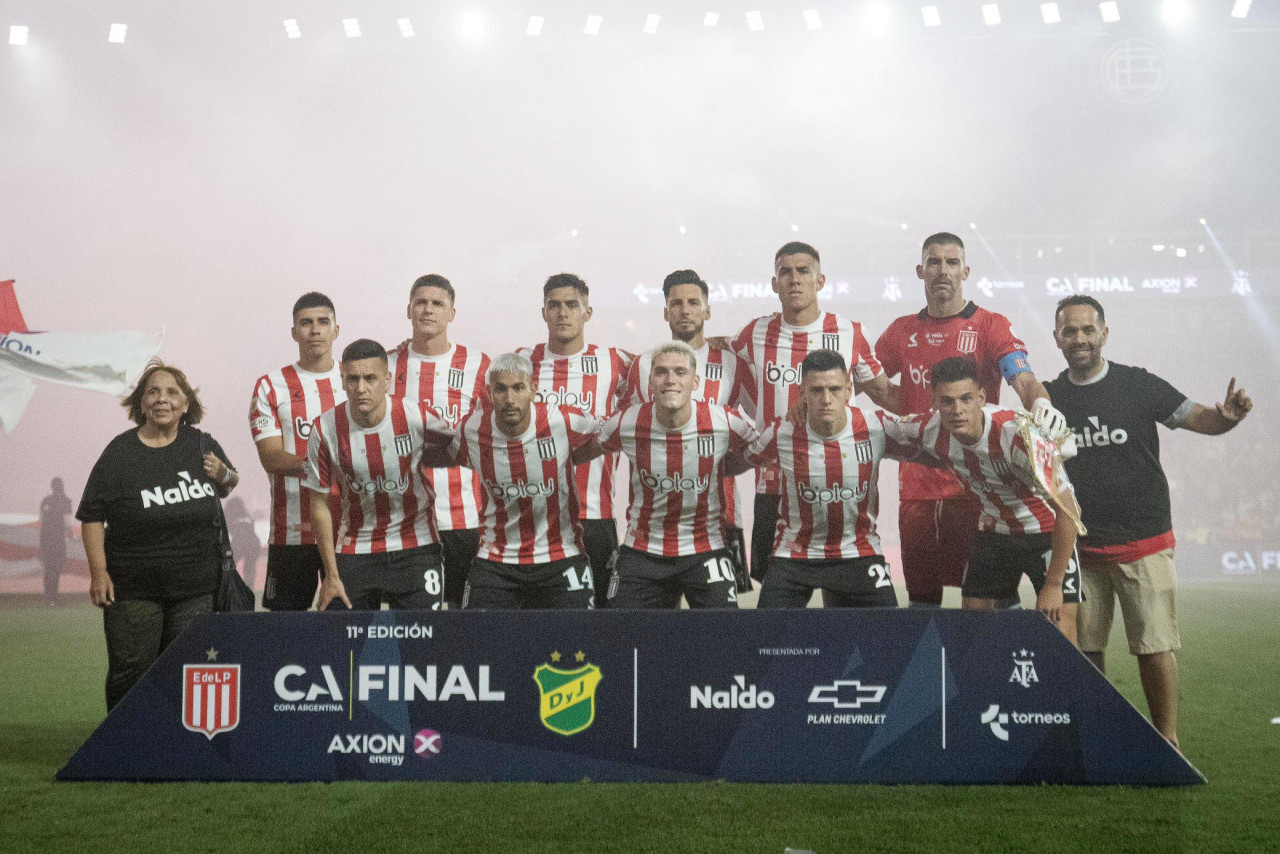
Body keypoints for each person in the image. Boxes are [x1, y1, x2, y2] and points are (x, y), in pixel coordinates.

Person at [1046, 295, 1252, 749]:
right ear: (1057, 337)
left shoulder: (1137, 384)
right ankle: (1099, 738)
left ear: (1104, 333)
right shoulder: (1050, 397)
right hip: (1081, 546)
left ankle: (1167, 741)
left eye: (1087, 330)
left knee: (1155, 647)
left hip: (1145, 541)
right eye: (1069, 331)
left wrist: (1227, 418)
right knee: (1086, 650)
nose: (1079, 338)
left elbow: (1199, 418)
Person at [875, 232, 1068, 607]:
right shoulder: (900, 331)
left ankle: (997, 665)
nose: (942, 270)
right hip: (917, 489)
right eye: (934, 262)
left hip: (977, 487)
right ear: (920, 271)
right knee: (922, 598)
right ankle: (929, 667)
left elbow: (1022, 377)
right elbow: (872, 381)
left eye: (951, 262)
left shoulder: (990, 325)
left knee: (988, 601)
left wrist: (1041, 404)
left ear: (965, 270)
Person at [717, 242, 894, 585]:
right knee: (776, 593)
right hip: (774, 482)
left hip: (837, 482)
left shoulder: (849, 332)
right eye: (786, 272)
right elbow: (716, 345)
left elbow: (885, 392)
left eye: (803, 271)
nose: (794, 279)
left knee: (842, 586)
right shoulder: (756, 332)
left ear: (820, 280)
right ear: (774, 283)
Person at [884, 357, 1082, 643]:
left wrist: (1053, 584)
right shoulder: (931, 428)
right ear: (935, 401)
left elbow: (1070, 511)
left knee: (1060, 633)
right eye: (947, 401)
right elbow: (878, 425)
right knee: (974, 633)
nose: (957, 410)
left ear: (981, 397)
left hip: (1046, 534)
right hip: (994, 534)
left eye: (966, 399)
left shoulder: (1020, 436)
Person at [77, 360, 239, 710]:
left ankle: (173, 749)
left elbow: (229, 483)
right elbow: (91, 517)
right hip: (134, 587)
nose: (162, 399)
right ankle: (124, 749)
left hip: (196, 588)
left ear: (185, 403)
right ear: (141, 402)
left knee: (185, 670)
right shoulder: (119, 453)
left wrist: (224, 472)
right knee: (131, 671)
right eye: (153, 391)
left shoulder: (201, 444)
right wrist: (98, 572)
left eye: (171, 392)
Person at [597, 342, 757, 609]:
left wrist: (724, 467)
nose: (670, 380)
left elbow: (758, 452)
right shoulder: (625, 422)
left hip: (706, 549)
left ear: (695, 382)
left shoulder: (723, 422)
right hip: (642, 551)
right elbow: (582, 450)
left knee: (727, 635)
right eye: (661, 372)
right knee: (620, 634)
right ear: (650, 381)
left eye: (680, 372)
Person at [624, 269, 756, 589]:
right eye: (677, 303)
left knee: (717, 629)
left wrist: (722, 466)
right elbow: (627, 431)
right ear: (666, 311)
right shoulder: (644, 365)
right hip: (652, 527)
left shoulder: (732, 364)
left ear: (707, 310)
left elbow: (758, 430)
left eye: (694, 302)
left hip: (718, 519)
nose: (685, 310)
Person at [747, 351, 908, 608]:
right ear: (802, 393)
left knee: (888, 635)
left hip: (858, 552)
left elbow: (929, 443)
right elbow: (744, 457)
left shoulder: (877, 427)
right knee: (767, 635)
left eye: (834, 389)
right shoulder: (781, 433)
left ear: (848, 390)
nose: (826, 399)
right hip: (795, 554)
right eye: (816, 390)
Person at [304, 339, 456, 611]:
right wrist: (331, 575)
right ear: (342, 380)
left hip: (416, 545)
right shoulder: (325, 428)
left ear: (386, 380)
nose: (361, 388)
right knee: (344, 645)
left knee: (422, 641)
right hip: (356, 547)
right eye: (353, 379)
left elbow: (461, 449)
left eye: (370, 378)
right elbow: (319, 504)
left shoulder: (415, 416)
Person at [518, 274, 633, 607]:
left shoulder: (616, 363)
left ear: (588, 312)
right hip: (535, 516)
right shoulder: (523, 362)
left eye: (572, 305)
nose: (562, 313)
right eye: (554, 305)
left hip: (595, 514)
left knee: (600, 621)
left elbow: (668, 368)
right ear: (543, 312)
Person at [450, 353, 600, 608]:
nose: (509, 399)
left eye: (518, 388)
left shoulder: (563, 420)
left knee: (575, 644)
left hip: (561, 556)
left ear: (533, 389)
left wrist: (570, 458)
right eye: (501, 389)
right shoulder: (471, 430)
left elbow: (608, 438)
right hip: (496, 560)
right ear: (488, 392)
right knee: (477, 642)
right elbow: (454, 456)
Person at [386, 274, 490, 610]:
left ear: (451, 313)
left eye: (437, 303)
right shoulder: (387, 366)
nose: (428, 310)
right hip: (403, 520)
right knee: (411, 623)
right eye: (421, 302)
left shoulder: (479, 366)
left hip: (465, 517)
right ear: (408, 309)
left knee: (465, 618)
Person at [249, 291, 344, 610]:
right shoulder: (270, 385)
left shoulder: (355, 379)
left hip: (347, 534)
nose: (315, 330)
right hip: (290, 535)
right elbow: (271, 457)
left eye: (322, 322)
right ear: (294, 332)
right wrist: (332, 468)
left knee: (346, 633)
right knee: (285, 634)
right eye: (305, 323)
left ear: (336, 330)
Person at [39, 477, 72, 604]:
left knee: (48, 568)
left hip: (45, 539)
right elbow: (68, 523)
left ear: (52, 486)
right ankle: (54, 596)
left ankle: (48, 597)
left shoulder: (45, 501)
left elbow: (41, 521)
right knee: (56, 568)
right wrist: (72, 538)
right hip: (58, 540)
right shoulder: (66, 501)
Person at [224, 496, 261, 591]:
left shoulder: (228, 514)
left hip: (239, 541)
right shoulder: (247, 515)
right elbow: (251, 527)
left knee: (227, 565)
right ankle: (249, 589)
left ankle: (227, 587)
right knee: (250, 567)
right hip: (254, 541)